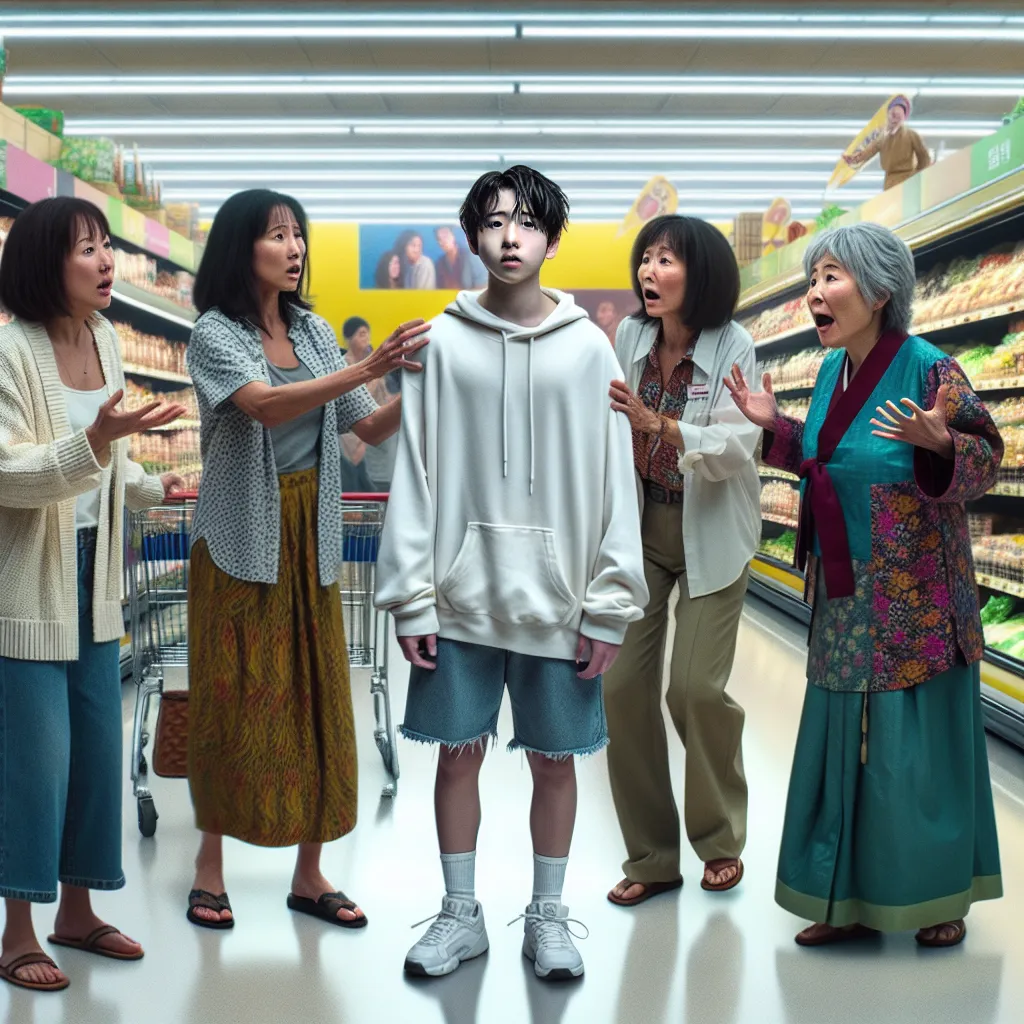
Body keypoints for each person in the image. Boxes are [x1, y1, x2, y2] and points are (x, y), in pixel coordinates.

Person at [375, 165, 648, 981]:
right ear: (472, 237)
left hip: (561, 604)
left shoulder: (590, 347)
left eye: (527, 223)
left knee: (554, 762)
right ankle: (460, 916)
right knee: (455, 755)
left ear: (552, 238)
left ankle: (550, 918)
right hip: (458, 601)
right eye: (492, 223)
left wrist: (609, 605)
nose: (509, 237)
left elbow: (613, 480)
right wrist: (410, 597)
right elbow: (414, 472)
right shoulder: (439, 342)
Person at [725, 221, 1003, 948]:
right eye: (814, 278)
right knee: (844, 747)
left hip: (917, 602)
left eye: (831, 278)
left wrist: (944, 443)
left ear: (879, 291)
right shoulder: (826, 374)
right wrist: (776, 430)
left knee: (912, 755)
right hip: (846, 596)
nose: (815, 292)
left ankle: (937, 895)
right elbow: (829, 459)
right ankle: (845, 901)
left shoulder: (929, 368)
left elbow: (987, 456)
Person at [183, 189, 428, 932]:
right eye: (276, 235)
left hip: (311, 532)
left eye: (298, 234)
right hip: (238, 534)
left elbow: (368, 430)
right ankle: (209, 866)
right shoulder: (213, 335)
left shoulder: (317, 332)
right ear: (239, 248)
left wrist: (416, 381)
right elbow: (263, 406)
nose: (293, 248)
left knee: (321, 691)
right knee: (232, 696)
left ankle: (310, 871)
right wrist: (367, 367)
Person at [0, 197, 186, 992]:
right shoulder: (11, 351)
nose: (107, 261)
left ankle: (78, 909)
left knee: (95, 747)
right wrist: (99, 442)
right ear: (49, 263)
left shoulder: (108, 339)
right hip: (27, 579)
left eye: (109, 245)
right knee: (36, 759)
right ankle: (17, 928)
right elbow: (11, 472)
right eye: (89, 249)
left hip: (98, 571)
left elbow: (104, 465)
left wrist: (149, 483)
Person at [602, 215, 761, 909]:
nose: (650, 271)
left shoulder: (735, 347)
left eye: (666, 260)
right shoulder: (630, 338)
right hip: (641, 530)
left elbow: (736, 450)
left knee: (693, 689)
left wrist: (659, 425)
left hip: (711, 532)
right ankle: (652, 855)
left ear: (700, 274)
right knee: (619, 691)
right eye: (646, 259)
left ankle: (719, 839)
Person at [339, 316, 390, 492]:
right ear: (349, 338)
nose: (366, 338)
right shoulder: (342, 366)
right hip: (349, 435)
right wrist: (376, 375)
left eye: (367, 334)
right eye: (361, 334)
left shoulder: (373, 364)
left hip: (374, 442)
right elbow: (354, 400)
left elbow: (384, 399)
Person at [844, 95, 932, 191]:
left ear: (903, 118)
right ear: (888, 115)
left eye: (898, 116)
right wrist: (855, 159)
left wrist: (917, 175)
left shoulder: (911, 135)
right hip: (889, 183)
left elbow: (924, 158)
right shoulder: (883, 138)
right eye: (892, 115)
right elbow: (868, 151)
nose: (894, 119)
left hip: (908, 179)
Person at [434, 225, 487, 290]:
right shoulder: (440, 263)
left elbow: (483, 285)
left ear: (453, 236)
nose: (443, 241)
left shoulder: (471, 256)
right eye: (439, 239)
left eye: (445, 236)